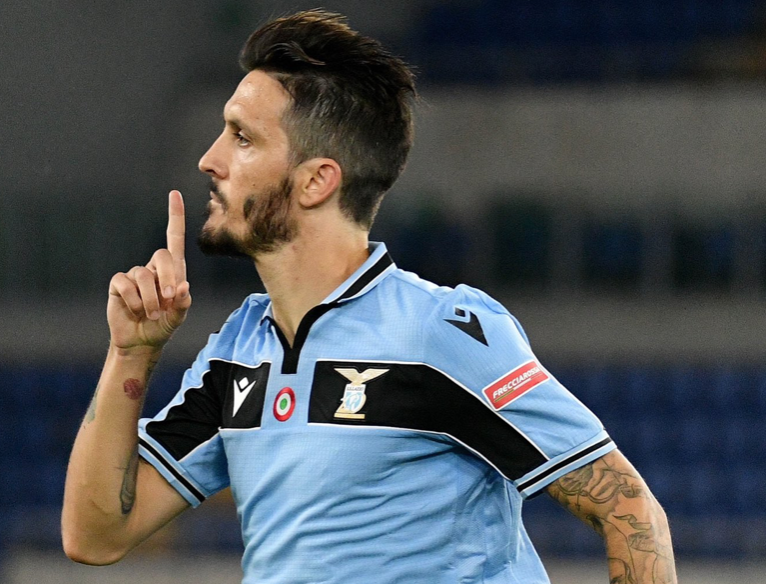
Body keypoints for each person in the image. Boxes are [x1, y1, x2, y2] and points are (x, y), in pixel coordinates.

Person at [62, 9, 677, 584]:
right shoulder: (237, 352)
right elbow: (95, 535)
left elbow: (629, 511)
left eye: (241, 138)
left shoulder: (438, 333)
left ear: (316, 181)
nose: (208, 159)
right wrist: (131, 353)